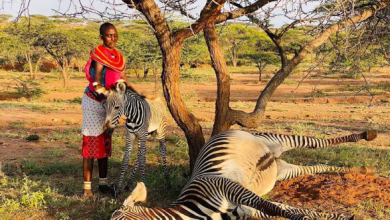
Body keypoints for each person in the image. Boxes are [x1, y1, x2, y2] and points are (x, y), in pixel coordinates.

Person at [81, 22, 129, 199]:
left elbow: (124, 80)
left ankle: (103, 185)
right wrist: (109, 97)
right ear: (101, 37)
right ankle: (87, 190)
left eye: (115, 35)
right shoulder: (99, 54)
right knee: (91, 145)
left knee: (104, 144)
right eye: (109, 35)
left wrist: (134, 96)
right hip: (95, 101)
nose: (113, 38)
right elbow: (97, 82)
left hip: (109, 103)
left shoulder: (118, 57)